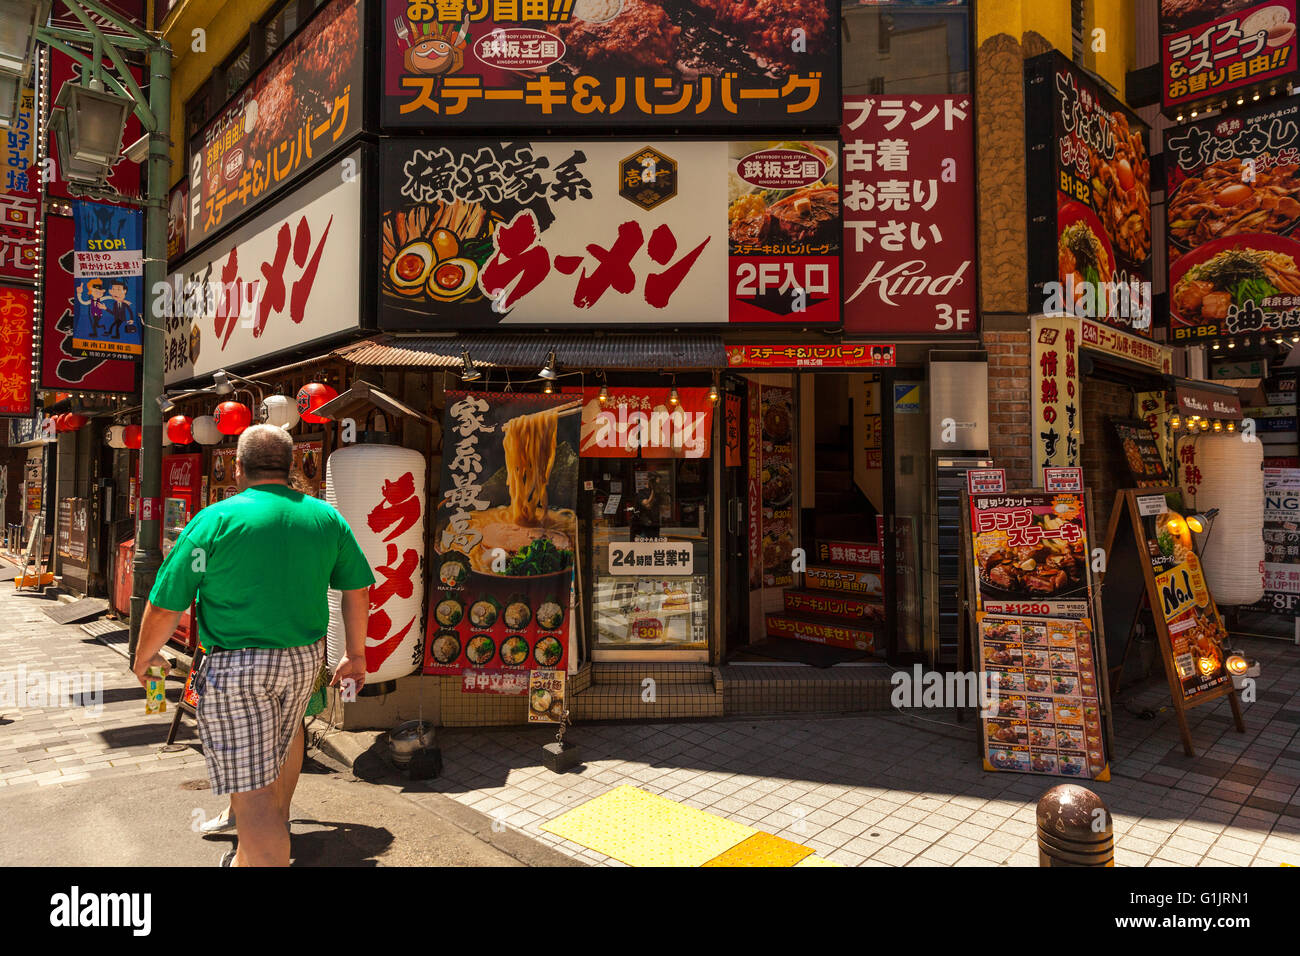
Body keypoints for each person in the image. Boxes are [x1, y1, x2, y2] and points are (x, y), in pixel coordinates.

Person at [133, 425, 374, 867]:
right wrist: (355, 654)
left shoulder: (215, 520)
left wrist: (145, 658)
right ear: (290, 466)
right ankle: (258, 845)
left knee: (252, 795)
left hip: (236, 667)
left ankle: (263, 850)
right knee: (284, 743)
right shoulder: (324, 518)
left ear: (238, 468)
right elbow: (357, 589)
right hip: (304, 660)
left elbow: (166, 604)